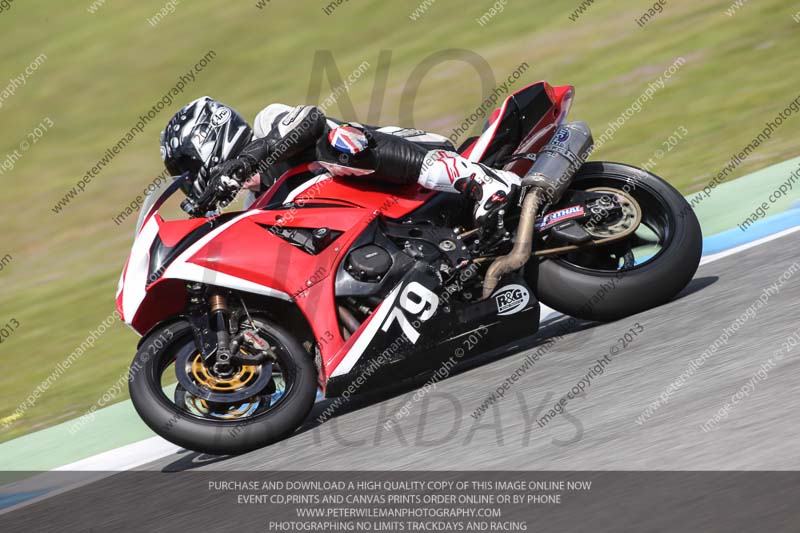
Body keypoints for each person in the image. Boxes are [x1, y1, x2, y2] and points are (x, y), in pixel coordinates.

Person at [160, 96, 520, 223]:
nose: (190, 180)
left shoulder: (268, 123)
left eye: (186, 168)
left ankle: (480, 180)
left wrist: (241, 164)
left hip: (415, 162)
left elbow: (310, 121)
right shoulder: (256, 205)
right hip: (390, 222)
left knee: (335, 144)